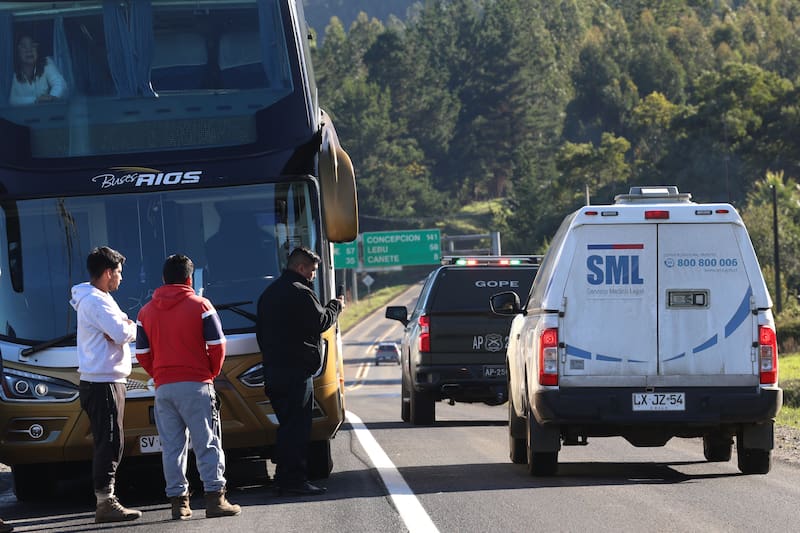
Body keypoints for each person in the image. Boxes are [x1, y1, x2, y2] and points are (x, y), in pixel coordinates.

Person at [136, 254, 241, 520]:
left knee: (172, 447)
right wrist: (210, 372)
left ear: (163, 278)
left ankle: (179, 504)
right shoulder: (201, 305)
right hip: (196, 384)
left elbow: (142, 353)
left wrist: (159, 374)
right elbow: (218, 345)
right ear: (190, 279)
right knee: (207, 442)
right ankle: (215, 499)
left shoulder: (145, 312)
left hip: (163, 388)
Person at [255, 247, 343, 496]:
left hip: (273, 370)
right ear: (301, 268)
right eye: (312, 271)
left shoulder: (268, 294)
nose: (313, 275)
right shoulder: (301, 292)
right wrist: (336, 306)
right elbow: (320, 321)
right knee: (297, 429)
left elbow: (261, 333)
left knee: (287, 426)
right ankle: (293, 480)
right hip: (296, 373)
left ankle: (283, 478)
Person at [70, 246, 142, 523]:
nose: (121, 278)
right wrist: (129, 327)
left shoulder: (100, 298)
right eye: (119, 272)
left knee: (112, 441)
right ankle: (105, 501)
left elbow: (120, 331)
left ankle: (107, 499)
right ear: (108, 273)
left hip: (106, 380)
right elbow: (122, 332)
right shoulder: (95, 302)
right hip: (102, 383)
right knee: (110, 442)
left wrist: (124, 327)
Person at [9, 34, 67, 105]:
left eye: (32, 45)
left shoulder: (46, 62)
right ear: (16, 51)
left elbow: (60, 84)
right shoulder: (9, 72)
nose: (29, 50)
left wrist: (51, 98)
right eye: (23, 46)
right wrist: (36, 100)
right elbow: (11, 99)